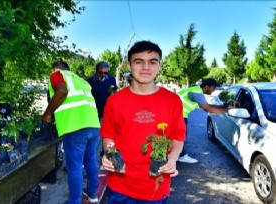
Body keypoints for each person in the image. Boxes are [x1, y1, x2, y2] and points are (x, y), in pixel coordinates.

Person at [101, 40, 186, 203]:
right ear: (129, 66)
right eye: (139, 61)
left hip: (156, 186)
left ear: (159, 65)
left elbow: (178, 136)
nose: (146, 67)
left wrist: (173, 158)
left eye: (152, 62)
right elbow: (109, 137)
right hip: (120, 186)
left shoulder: (173, 101)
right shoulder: (114, 101)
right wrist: (110, 154)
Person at [41, 61, 101, 204]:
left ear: (55, 69)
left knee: (74, 166)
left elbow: (62, 92)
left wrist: (48, 113)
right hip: (93, 124)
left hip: (75, 127)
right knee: (91, 161)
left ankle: (74, 201)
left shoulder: (57, 75)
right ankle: (92, 194)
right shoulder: (80, 80)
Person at [177, 78, 231, 163]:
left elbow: (207, 105)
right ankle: (181, 156)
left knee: (180, 135)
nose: (214, 90)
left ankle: (178, 154)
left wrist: (223, 107)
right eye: (213, 88)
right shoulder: (196, 92)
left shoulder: (197, 91)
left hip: (178, 113)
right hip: (177, 114)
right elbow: (207, 108)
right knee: (180, 136)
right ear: (207, 86)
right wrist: (228, 111)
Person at [87, 61, 118, 167]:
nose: (104, 75)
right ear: (97, 71)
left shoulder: (111, 79)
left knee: (104, 135)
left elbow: (114, 92)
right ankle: (93, 162)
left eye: (106, 73)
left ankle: (101, 159)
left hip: (107, 112)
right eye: (101, 73)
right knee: (95, 137)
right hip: (94, 113)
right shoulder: (90, 81)